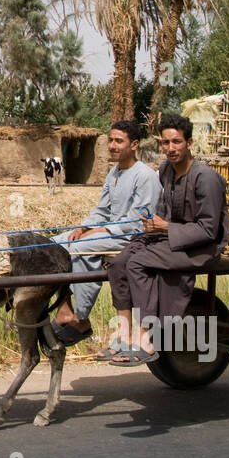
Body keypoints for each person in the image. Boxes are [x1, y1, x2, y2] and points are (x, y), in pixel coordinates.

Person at [104, 113, 229, 366]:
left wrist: (165, 227)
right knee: (119, 263)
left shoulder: (205, 178)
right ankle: (125, 332)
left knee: (138, 263)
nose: (170, 149)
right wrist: (152, 225)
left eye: (177, 142)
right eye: (165, 143)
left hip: (201, 246)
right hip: (170, 238)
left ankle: (147, 335)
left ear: (189, 143)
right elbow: (164, 210)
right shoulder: (165, 170)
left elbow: (208, 230)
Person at [48, 121, 160, 348]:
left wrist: (100, 230)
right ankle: (64, 308)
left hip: (131, 236)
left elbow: (138, 220)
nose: (112, 145)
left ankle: (80, 317)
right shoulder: (114, 173)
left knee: (78, 248)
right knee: (55, 244)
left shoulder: (145, 176)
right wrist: (84, 226)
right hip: (109, 232)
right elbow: (102, 209)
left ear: (134, 144)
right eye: (111, 140)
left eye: (119, 141)